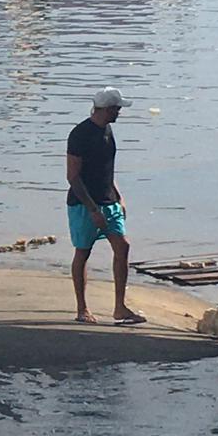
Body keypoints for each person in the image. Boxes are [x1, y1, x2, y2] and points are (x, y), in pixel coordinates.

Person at [66, 87, 147, 326]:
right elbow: (73, 176)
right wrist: (92, 209)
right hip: (83, 204)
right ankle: (82, 308)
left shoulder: (108, 131)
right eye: (117, 108)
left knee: (122, 246)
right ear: (107, 108)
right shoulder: (80, 134)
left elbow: (106, 169)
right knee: (83, 251)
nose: (119, 112)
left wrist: (119, 197)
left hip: (108, 199)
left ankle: (120, 308)